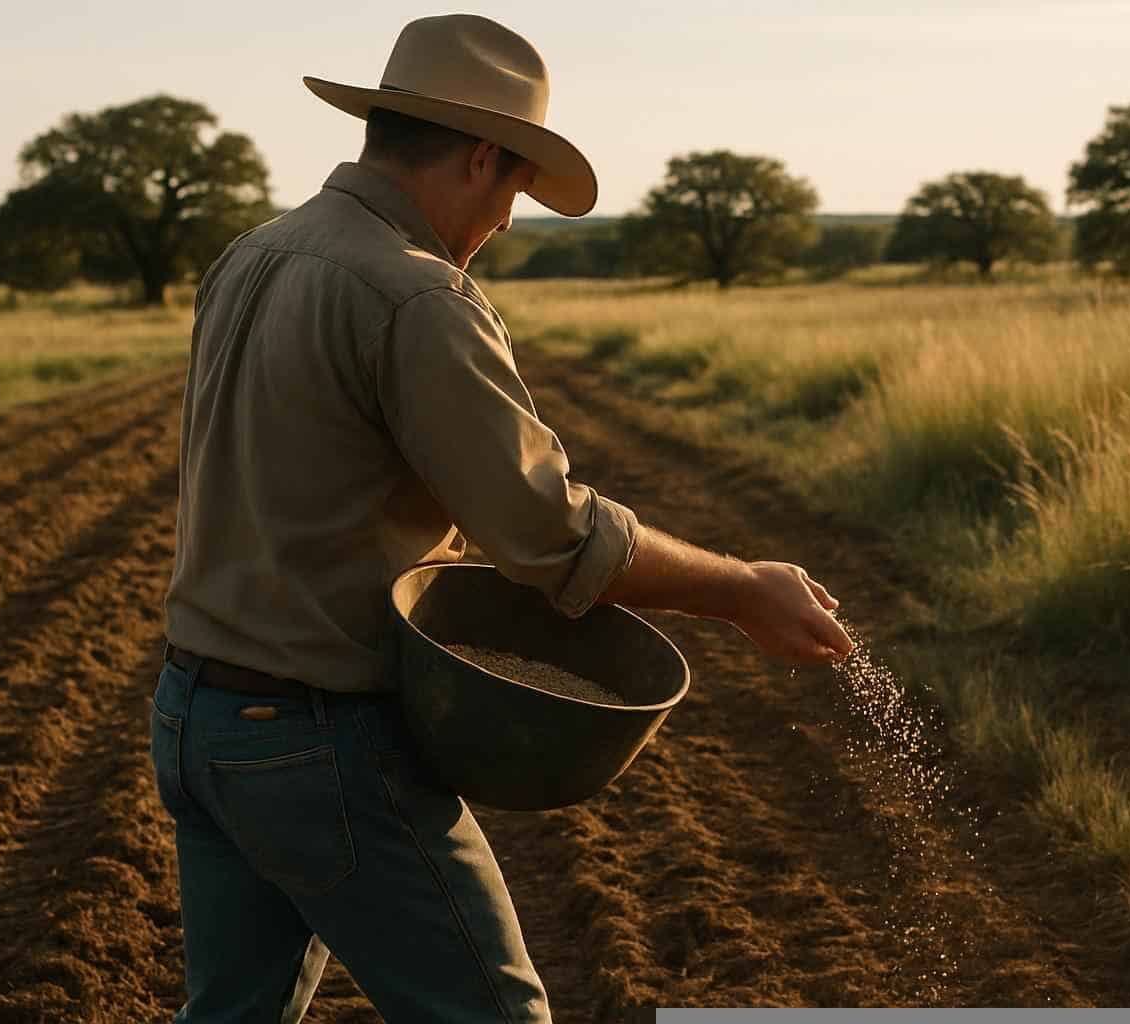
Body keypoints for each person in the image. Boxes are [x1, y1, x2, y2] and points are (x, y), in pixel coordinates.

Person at [151, 12, 852, 1023]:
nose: (512, 222)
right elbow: (546, 537)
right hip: (318, 739)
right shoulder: (415, 295)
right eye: (517, 188)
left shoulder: (252, 256)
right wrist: (741, 588)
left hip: (194, 719)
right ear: (482, 158)